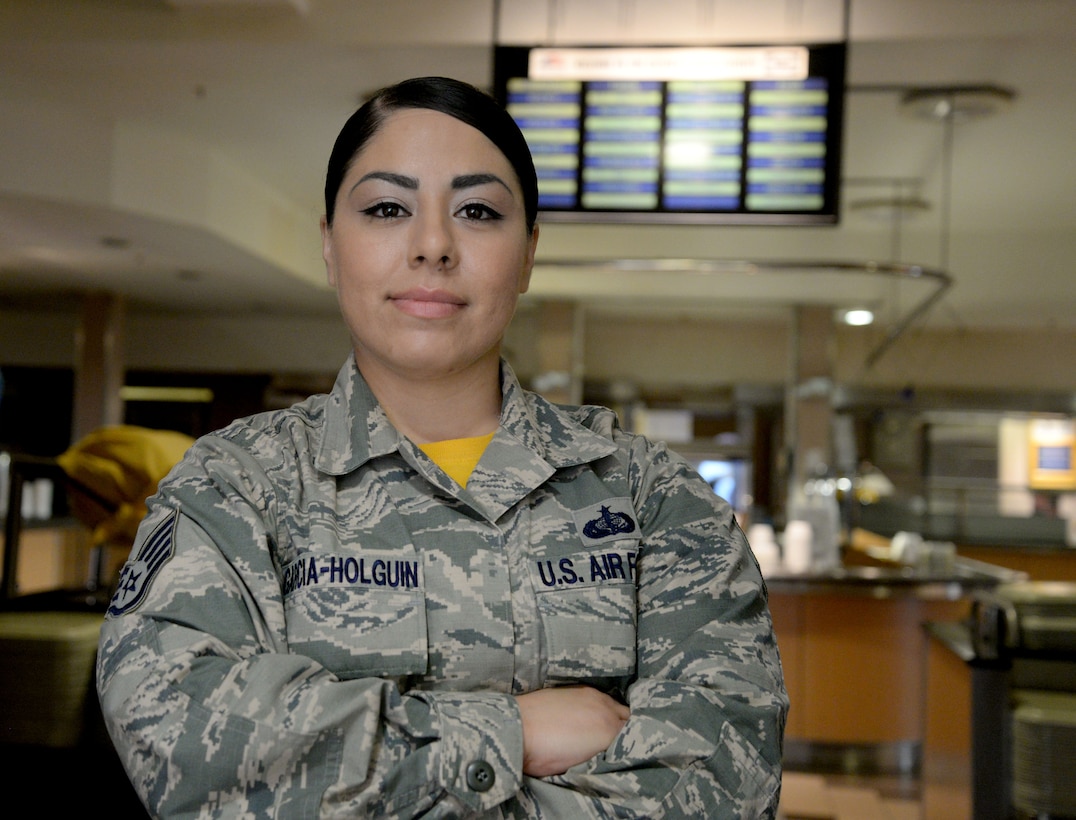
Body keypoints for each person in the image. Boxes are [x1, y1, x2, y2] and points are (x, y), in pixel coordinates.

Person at [96, 76, 788, 818]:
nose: (432, 246)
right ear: (330, 246)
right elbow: (185, 744)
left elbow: (724, 778)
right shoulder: (236, 488)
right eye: (387, 208)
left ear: (527, 255)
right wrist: (508, 734)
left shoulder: (652, 500)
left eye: (478, 211)